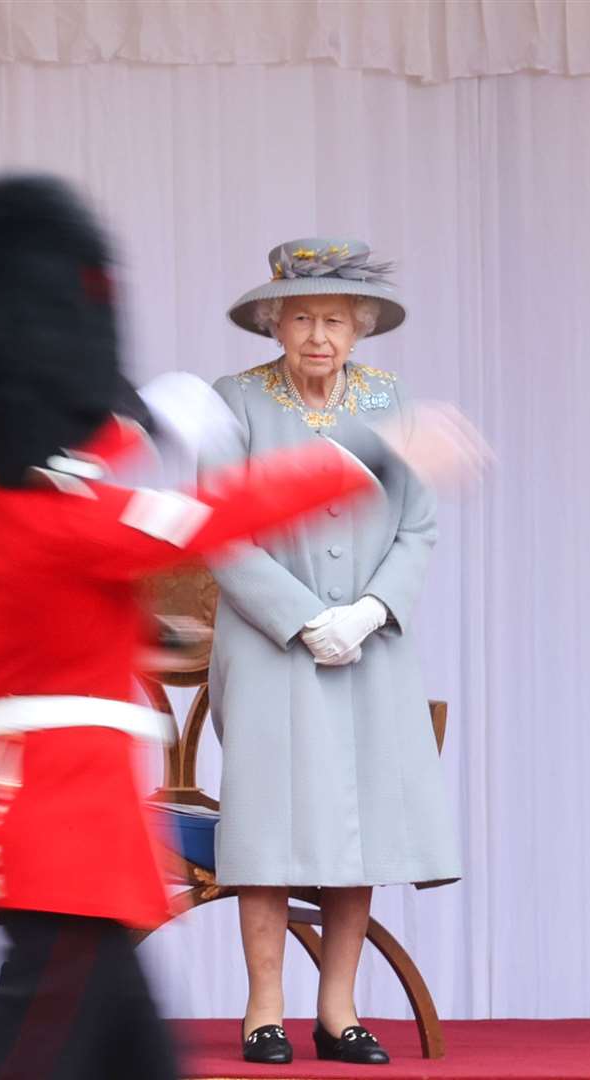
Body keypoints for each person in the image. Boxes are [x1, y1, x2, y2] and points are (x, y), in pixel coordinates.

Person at [0, 178, 416, 1080]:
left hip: (54, 831)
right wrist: (372, 453)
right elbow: (217, 517)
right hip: (69, 838)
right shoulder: (65, 516)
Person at [206, 238, 462, 1066]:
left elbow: (418, 526)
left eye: (337, 320)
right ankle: (264, 1011)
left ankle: (340, 1011)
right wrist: (301, 617)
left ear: (361, 329)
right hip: (268, 643)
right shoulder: (235, 401)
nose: (320, 335)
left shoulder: (392, 400)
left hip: (372, 645)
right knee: (269, 823)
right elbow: (219, 530)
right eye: (304, 317)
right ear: (276, 322)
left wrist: (369, 611)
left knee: (363, 823)